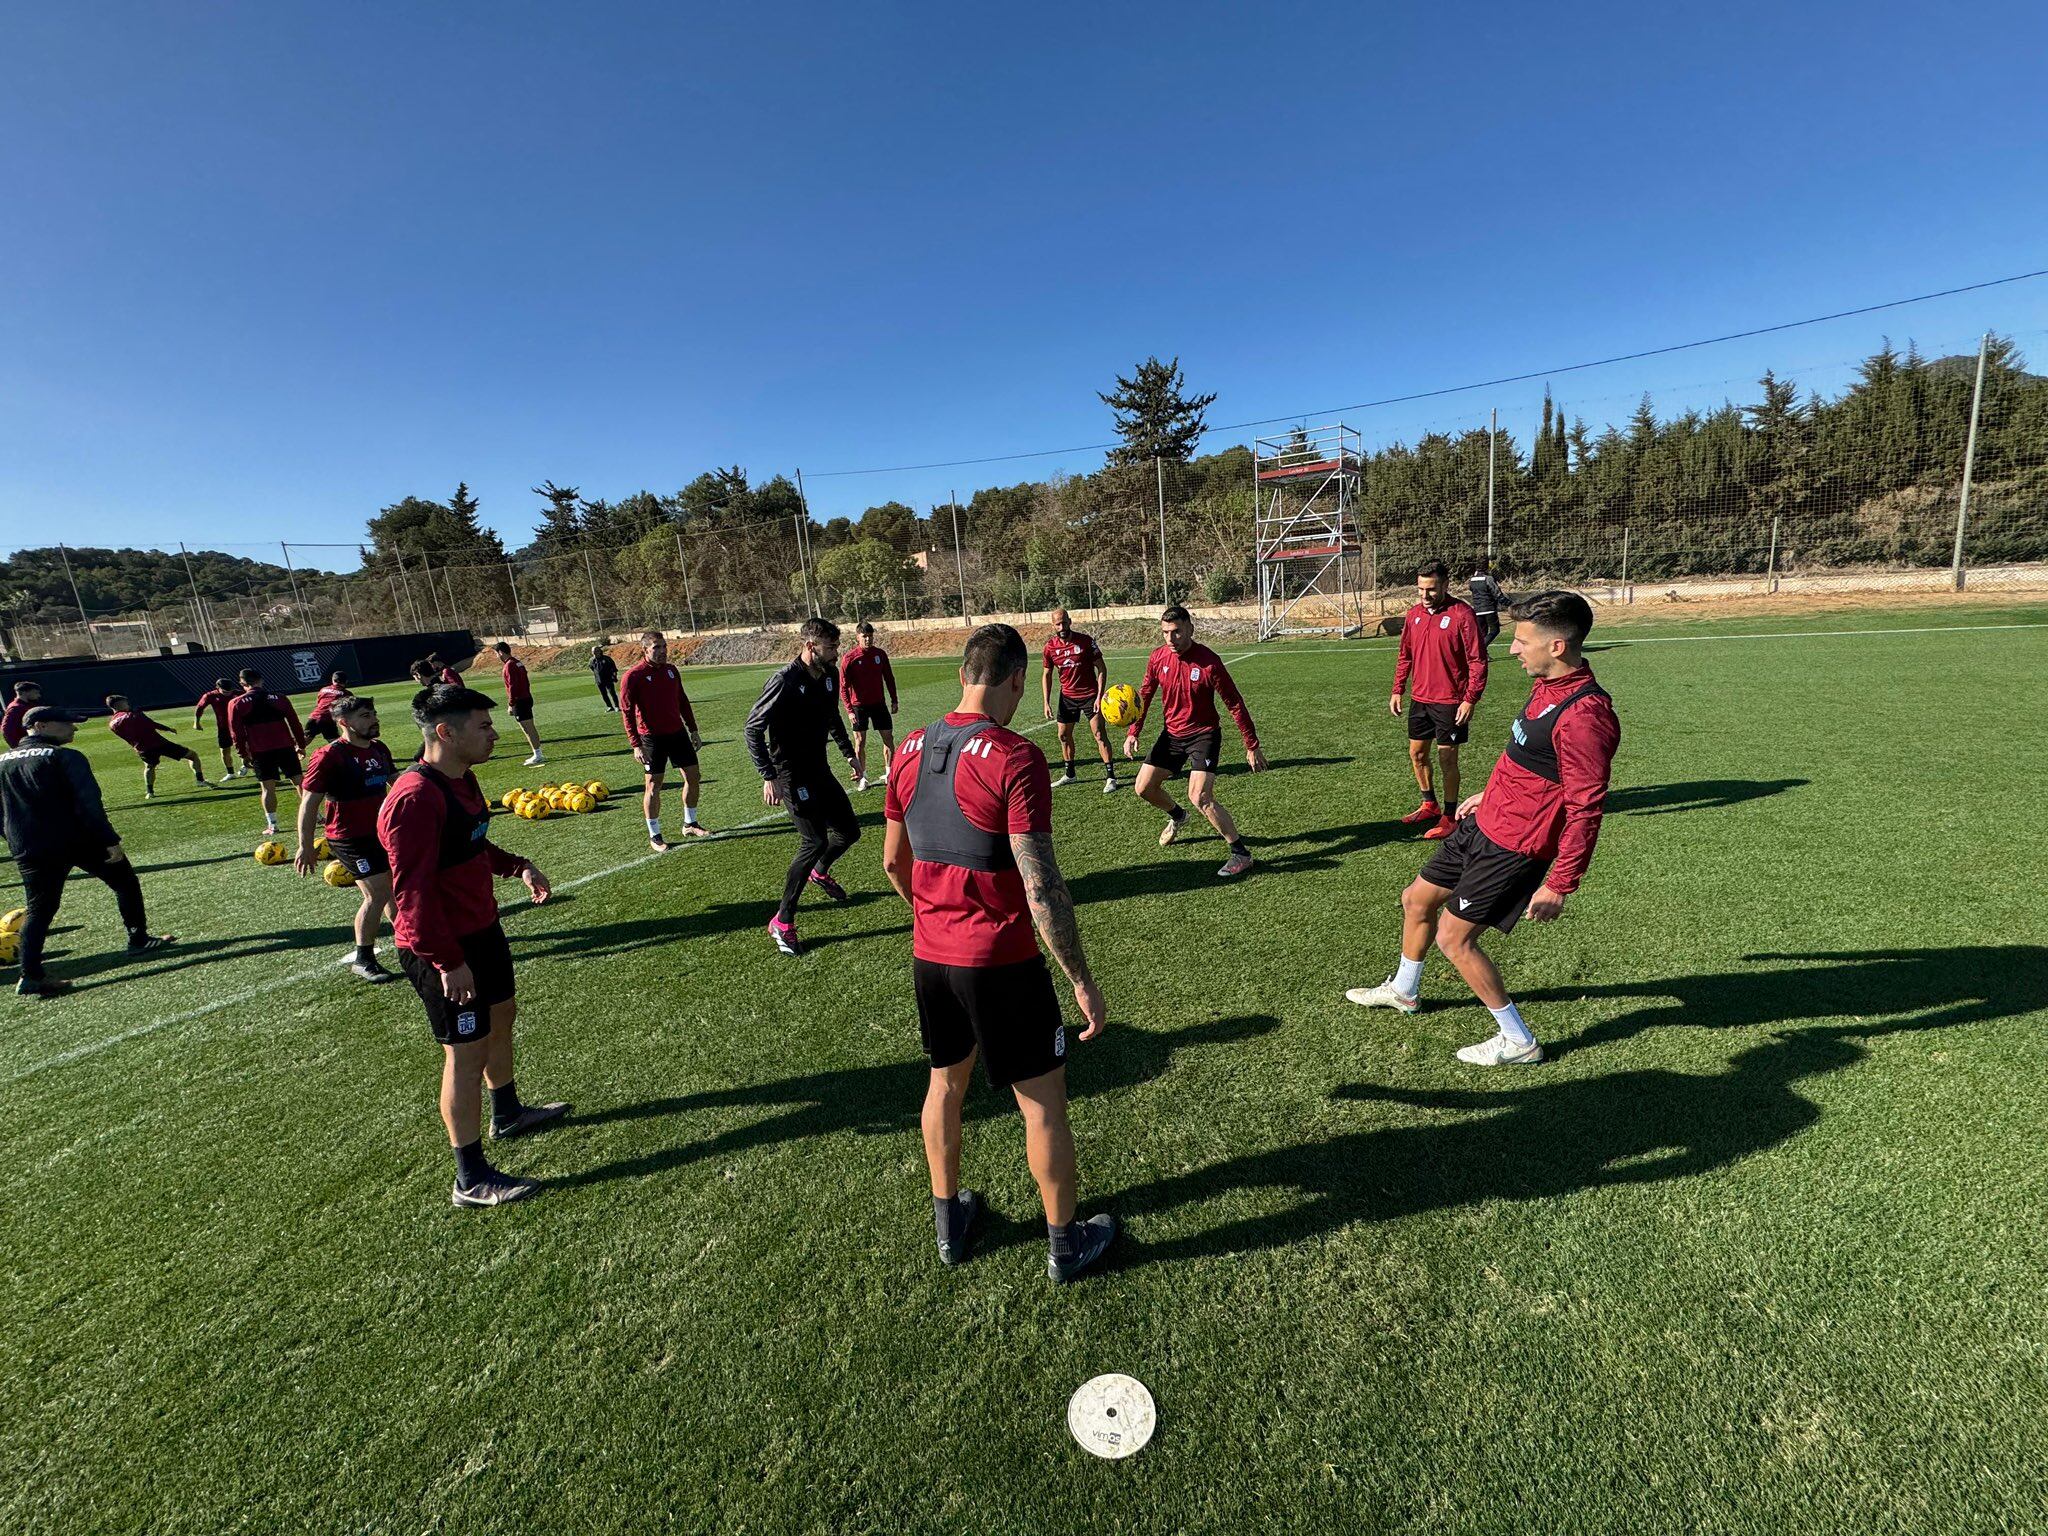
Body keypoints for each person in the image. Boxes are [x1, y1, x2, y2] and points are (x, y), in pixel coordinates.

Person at [882, 623, 1117, 1281]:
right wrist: (1081, 979)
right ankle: (1066, 1245)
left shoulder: (907, 748)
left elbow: (892, 864)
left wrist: (934, 918)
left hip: (931, 958)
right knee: (1041, 1103)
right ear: (1017, 679)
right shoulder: (1016, 756)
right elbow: (1041, 887)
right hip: (1001, 964)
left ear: (964, 673)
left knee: (944, 1084)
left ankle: (949, 1225)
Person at [1347, 591, 1621, 1065]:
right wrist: (1486, 795)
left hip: (1515, 846)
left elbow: (1586, 807)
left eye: (1522, 640)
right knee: (1416, 900)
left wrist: (1560, 883)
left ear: (1557, 647)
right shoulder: (1546, 686)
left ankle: (1519, 1041)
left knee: (1453, 937)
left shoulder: (1584, 717)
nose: (1513, 649)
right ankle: (1405, 991)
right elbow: (1521, 755)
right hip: (1485, 822)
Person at [378, 684, 567, 1208]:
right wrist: (448, 961)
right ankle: (470, 1177)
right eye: (483, 726)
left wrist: (517, 865)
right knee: (464, 1054)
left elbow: (473, 843)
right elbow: (410, 895)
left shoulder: (462, 779)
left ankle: (507, 1111)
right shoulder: (414, 799)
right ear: (446, 732)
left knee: (502, 1016)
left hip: (481, 931)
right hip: (443, 949)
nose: (493, 733)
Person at [0, 706, 175, 998]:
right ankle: (138, 939)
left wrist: (14, 840)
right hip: (78, 840)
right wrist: (109, 839)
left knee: (40, 910)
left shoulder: (2, 761)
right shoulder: (66, 757)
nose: (74, 729)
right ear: (41, 725)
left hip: (30, 846)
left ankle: (30, 975)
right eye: (67, 723)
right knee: (125, 882)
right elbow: (89, 803)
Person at [745, 617, 863, 956]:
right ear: (811, 647)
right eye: (831, 648)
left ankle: (820, 872)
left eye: (836, 647)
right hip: (790, 775)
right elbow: (752, 728)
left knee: (849, 832)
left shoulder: (830, 675)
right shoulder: (784, 680)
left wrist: (850, 756)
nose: (836, 653)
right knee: (813, 840)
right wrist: (768, 775)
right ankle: (783, 921)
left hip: (819, 769)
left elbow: (832, 718)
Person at [1123, 605, 1267, 878]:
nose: (1170, 639)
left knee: (1199, 796)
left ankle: (1241, 854)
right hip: (1172, 734)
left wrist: (1251, 745)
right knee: (1143, 788)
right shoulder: (1157, 658)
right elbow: (1145, 695)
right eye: (1165, 632)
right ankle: (1178, 816)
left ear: (1190, 628)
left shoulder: (1209, 661)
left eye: (1176, 632)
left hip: (1204, 734)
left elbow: (1234, 703)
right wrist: (1134, 731)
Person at [297, 693, 400, 982]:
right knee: (377, 893)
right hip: (349, 838)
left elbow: (398, 783)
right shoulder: (329, 756)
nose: (374, 720)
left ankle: (407, 940)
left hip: (380, 832)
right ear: (344, 723)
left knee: (392, 889)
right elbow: (309, 802)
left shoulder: (379, 748)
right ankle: (363, 959)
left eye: (374, 713)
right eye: (366, 716)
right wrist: (305, 845)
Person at [1390, 559, 1489, 842]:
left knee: (1447, 758)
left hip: (1450, 701)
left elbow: (1477, 661)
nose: (1425, 595)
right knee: (1417, 754)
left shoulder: (1462, 614)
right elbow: (1405, 655)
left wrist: (1470, 699)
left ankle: (1449, 816)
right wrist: (1398, 689)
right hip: (1420, 698)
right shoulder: (1413, 615)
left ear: (1445, 585)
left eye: (1431, 589)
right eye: (1421, 589)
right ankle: (1428, 804)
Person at [620, 630, 709, 850]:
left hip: (677, 734)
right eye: (656, 648)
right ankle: (655, 835)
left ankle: (690, 823)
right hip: (651, 738)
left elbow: (682, 700)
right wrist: (635, 744)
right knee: (653, 785)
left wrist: (693, 729)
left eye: (664, 647)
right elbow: (627, 711)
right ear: (645, 650)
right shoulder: (633, 676)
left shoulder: (671, 670)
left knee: (693, 776)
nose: (662, 652)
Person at [1040, 607, 1117, 793]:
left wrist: (1099, 697)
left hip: (1090, 695)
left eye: (1064, 622)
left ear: (1070, 621)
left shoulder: (1085, 642)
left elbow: (1102, 669)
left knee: (1099, 734)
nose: (1062, 626)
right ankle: (1070, 774)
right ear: (1053, 625)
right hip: (1067, 697)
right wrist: (1046, 702)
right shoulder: (1050, 647)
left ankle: (1111, 777)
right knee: (1063, 736)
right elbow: (1046, 675)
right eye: (1058, 623)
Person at [227, 667, 307, 836]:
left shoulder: (236, 703)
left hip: (260, 750)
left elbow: (236, 733)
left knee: (267, 788)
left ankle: (273, 825)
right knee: (299, 782)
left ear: (242, 684)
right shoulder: (280, 698)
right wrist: (300, 745)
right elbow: (295, 723)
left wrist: (243, 754)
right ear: (261, 680)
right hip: (285, 746)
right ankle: (316, 816)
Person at [105, 694, 208, 797]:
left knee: (149, 767)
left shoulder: (112, 723)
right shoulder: (133, 714)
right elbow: (150, 723)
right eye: (125, 702)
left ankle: (150, 792)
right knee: (193, 756)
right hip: (159, 743)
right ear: (119, 704)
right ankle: (200, 780)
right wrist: (167, 728)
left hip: (141, 748)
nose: (128, 704)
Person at [839, 621, 899, 792]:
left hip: (879, 704)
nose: (868, 639)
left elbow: (889, 678)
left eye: (870, 636)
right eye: (864, 636)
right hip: (859, 707)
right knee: (860, 742)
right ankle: (863, 776)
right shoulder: (849, 658)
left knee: (888, 738)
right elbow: (843, 688)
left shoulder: (880, 654)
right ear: (857, 637)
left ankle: (889, 773)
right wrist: (849, 711)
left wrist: (894, 700)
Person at [492, 641, 544, 766]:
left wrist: (511, 703)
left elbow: (513, 686)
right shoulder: (517, 662)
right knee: (529, 726)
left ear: (500, 652)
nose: (496, 657)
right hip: (526, 697)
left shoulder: (509, 665)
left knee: (527, 728)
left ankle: (537, 754)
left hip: (520, 700)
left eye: (496, 654)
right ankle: (537, 753)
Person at [193, 677, 243, 777]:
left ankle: (245, 766)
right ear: (217, 688)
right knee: (224, 750)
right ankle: (230, 773)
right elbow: (200, 708)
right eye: (225, 691)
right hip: (223, 727)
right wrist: (196, 722)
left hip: (240, 725)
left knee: (245, 747)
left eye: (230, 691)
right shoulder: (210, 696)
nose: (228, 693)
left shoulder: (239, 693)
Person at [1468, 557, 1504, 648]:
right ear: (1487, 566)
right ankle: (1481, 648)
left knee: (1482, 632)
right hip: (1489, 609)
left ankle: (1484, 654)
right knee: (1494, 630)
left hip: (1477, 610)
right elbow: (1497, 594)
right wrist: (1511, 604)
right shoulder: (1488, 579)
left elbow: (1472, 590)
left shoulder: (1471, 579)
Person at [307, 670, 351, 742]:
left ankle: (293, 751)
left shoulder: (323, 689)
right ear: (345, 681)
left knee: (304, 742)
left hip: (314, 717)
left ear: (333, 680)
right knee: (336, 743)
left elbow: (319, 704)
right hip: (328, 720)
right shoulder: (346, 694)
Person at [2, 681, 39, 749]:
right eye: (35, 692)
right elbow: (6, 729)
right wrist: (17, 747)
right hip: (24, 745)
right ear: (25, 692)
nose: (38, 695)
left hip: (31, 742)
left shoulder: (26, 705)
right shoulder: (16, 707)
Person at [589, 644, 621, 712]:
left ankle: (617, 706)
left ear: (599, 651)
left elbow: (613, 668)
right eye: (593, 651)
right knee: (604, 695)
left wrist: (614, 676)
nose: (595, 652)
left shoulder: (606, 658)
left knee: (612, 693)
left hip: (608, 679)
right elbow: (592, 668)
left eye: (596, 651)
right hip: (599, 681)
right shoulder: (592, 660)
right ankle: (609, 706)